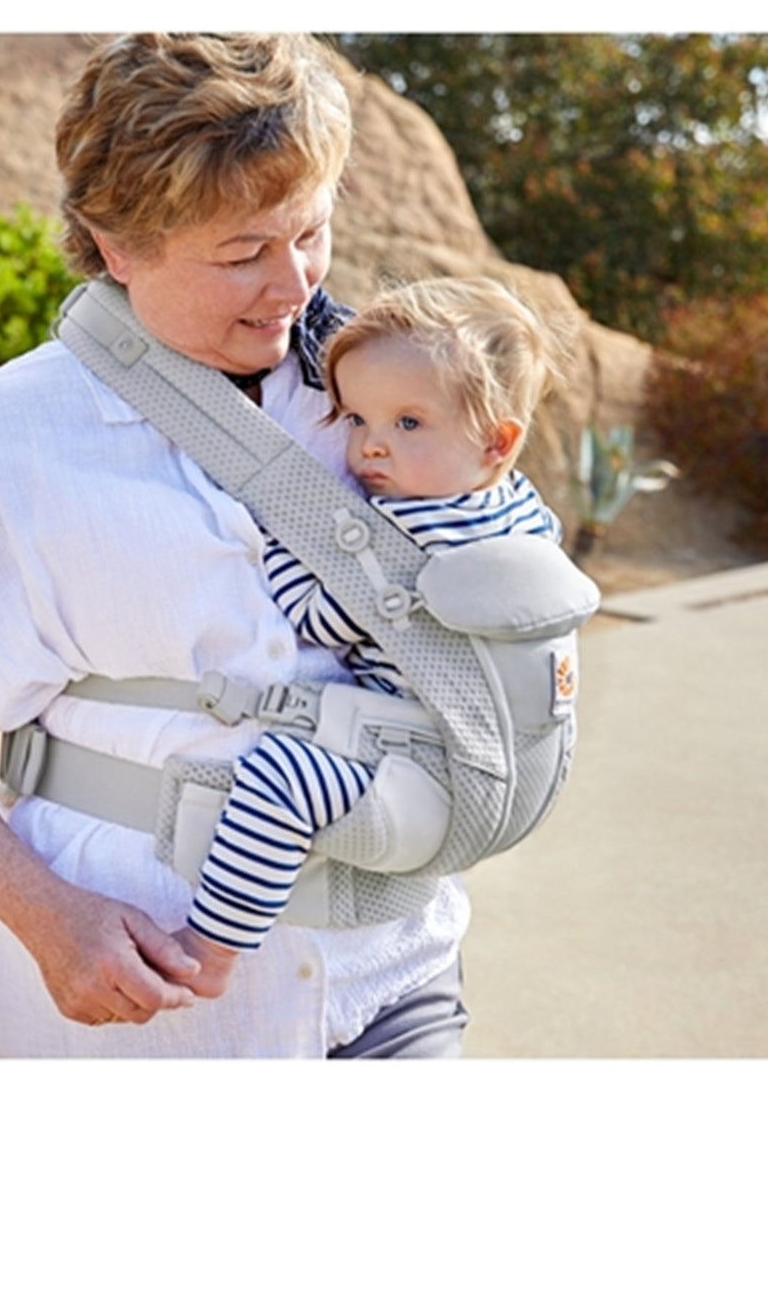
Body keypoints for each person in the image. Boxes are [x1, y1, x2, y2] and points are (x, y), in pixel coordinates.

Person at [0, 33, 484, 1057]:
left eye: (311, 232)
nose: (294, 285)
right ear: (116, 246)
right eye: (242, 254)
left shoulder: (385, 392)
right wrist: (45, 915)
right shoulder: (1, 440)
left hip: (391, 972)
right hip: (154, 1022)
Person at [172, 276, 565, 997]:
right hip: (489, 769)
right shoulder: (517, 509)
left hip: (421, 771)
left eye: (408, 424)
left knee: (278, 779)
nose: (371, 447)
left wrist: (274, 534)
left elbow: (315, 617)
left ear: (498, 441)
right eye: (356, 419)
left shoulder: (413, 532)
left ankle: (214, 945)